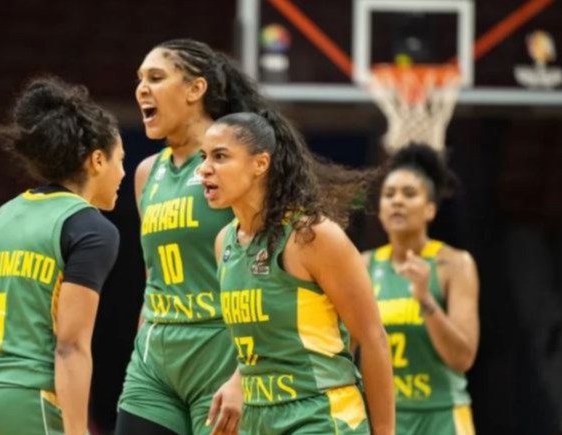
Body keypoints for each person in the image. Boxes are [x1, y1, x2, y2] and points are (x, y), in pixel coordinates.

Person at [117, 39, 280, 435]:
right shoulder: (146, 174)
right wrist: (142, 347)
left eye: (156, 78)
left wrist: (246, 375)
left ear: (196, 89)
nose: (141, 89)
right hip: (155, 360)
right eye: (140, 79)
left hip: (221, 351)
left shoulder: (235, 165)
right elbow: (152, 274)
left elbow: (271, 276)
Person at [198, 110, 396, 435]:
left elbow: (372, 338)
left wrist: (385, 433)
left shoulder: (311, 236)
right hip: (258, 420)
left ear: (260, 164)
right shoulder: (225, 243)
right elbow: (259, 343)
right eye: (204, 157)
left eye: (220, 157)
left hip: (319, 416)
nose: (204, 168)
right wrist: (238, 380)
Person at [0, 76, 124, 435]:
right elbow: (70, 346)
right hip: (28, 395)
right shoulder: (91, 228)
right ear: (96, 161)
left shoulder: (0, 217)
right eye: (119, 160)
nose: (123, 172)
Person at [362, 143, 479, 435]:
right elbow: (347, 346)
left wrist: (425, 298)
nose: (397, 201)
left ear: (430, 209)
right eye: (389, 195)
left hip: (442, 417)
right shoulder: (364, 265)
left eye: (409, 194)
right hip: (386, 417)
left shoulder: (455, 264)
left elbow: (463, 358)